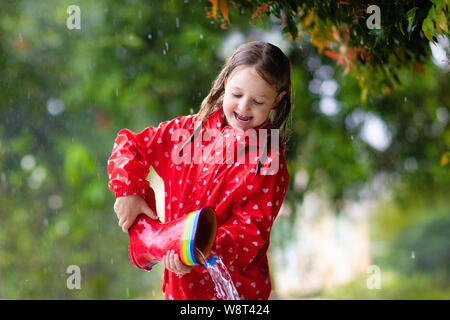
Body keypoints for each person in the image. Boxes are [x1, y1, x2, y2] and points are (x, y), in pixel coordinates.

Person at [108, 41, 292, 300]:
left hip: (234, 291)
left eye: (258, 101)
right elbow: (131, 145)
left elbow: (250, 230)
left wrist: (196, 247)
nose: (243, 108)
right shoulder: (188, 133)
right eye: (237, 95)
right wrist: (128, 191)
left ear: (277, 101)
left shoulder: (267, 159)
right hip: (179, 291)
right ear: (226, 82)